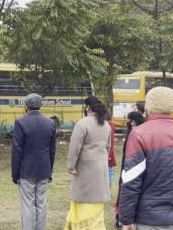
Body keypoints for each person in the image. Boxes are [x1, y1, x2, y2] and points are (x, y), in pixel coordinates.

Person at [118, 87, 173, 230]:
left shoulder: (139, 134)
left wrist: (126, 220)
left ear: (148, 106)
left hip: (147, 221)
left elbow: (131, 181)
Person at [64, 96, 112, 229]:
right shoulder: (106, 124)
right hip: (101, 167)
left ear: (87, 107)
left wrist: (71, 165)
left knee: (83, 200)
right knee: (96, 201)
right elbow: (108, 147)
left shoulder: (83, 123)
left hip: (85, 169)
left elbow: (75, 147)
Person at [12, 93, 57, 230]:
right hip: (44, 169)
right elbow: (52, 150)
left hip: (26, 170)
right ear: (40, 105)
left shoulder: (20, 122)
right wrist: (50, 170)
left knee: (28, 205)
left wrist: (15, 174)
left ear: (26, 106)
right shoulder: (50, 123)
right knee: (41, 204)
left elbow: (17, 150)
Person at [115, 110, 145, 229]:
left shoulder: (135, 134)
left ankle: (123, 219)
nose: (127, 122)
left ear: (133, 121)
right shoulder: (136, 133)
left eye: (129, 119)